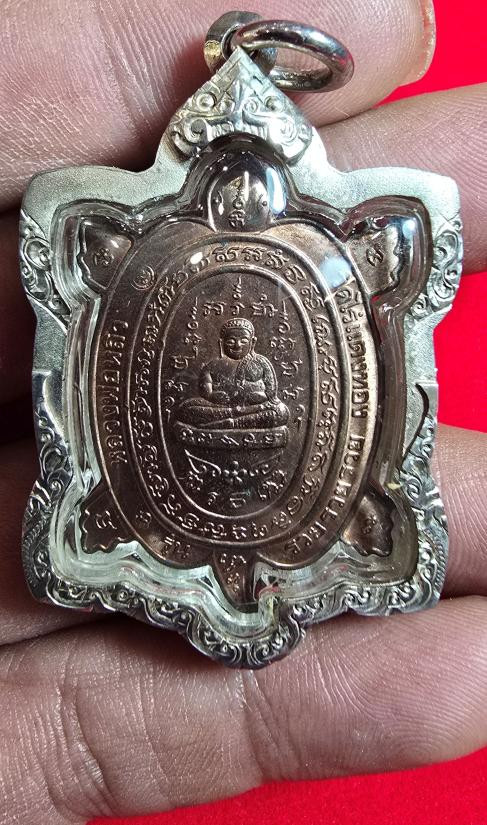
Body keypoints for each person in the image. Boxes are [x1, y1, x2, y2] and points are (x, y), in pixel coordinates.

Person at [0, 1, 486, 823]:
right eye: (228, 338)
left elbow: (267, 396)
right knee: (199, 407)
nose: (234, 346)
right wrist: (214, 400)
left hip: (258, 435)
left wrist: (247, 399)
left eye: (238, 338)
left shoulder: (265, 351)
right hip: (201, 438)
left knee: (268, 412)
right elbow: (202, 397)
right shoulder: (132, 263)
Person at [176, 318, 289, 430]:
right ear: (221, 343)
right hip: (221, 408)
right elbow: (205, 389)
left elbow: (271, 391)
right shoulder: (213, 365)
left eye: (243, 341)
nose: (237, 345)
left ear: (252, 342)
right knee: (186, 409)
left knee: (280, 411)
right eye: (230, 341)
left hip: (254, 408)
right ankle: (234, 419)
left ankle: (231, 423)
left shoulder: (261, 362)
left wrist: (262, 396)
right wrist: (211, 396)